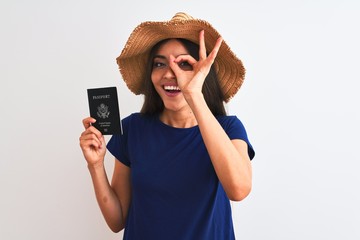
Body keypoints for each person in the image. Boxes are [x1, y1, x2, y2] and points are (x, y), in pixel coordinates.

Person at [79, 12, 255, 240]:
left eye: (184, 64)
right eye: (159, 64)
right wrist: (95, 165)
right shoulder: (132, 129)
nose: (170, 74)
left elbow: (239, 190)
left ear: (203, 73)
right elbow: (117, 220)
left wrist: (194, 95)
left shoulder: (228, 128)